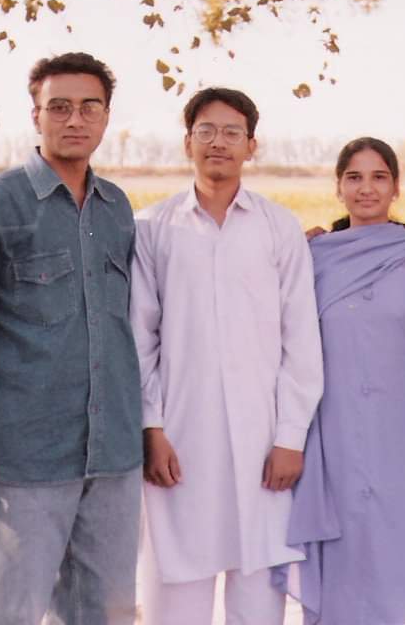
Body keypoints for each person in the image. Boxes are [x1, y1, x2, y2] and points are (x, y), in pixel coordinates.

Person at [0, 52, 143, 624]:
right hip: (21, 459)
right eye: (59, 107)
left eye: (88, 108)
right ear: (36, 116)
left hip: (113, 456)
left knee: (109, 613)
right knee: (7, 613)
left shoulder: (118, 208)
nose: (74, 120)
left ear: (105, 118)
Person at [130, 87, 324, 624]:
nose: (219, 143)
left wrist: (289, 437)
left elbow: (301, 340)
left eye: (232, 132)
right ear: (187, 140)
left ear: (251, 145)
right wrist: (152, 427)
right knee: (176, 597)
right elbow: (139, 335)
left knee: (259, 601)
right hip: (179, 443)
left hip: (264, 446)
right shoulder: (152, 227)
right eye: (206, 131)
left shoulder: (277, 226)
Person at [281, 137, 405, 625]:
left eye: (379, 177)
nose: (366, 188)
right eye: (354, 177)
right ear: (338, 188)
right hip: (333, 433)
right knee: (344, 560)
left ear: (396, 187)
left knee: (403, 560)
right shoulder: (311, 257)